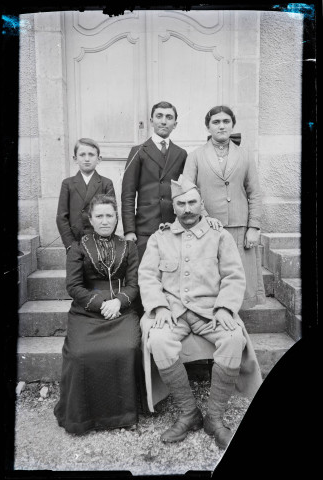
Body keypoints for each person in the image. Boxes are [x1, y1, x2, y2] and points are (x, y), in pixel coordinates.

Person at [138, 175, 262, 449]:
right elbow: (147, 276)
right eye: (181, 203)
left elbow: (233, 276)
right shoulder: (160, 238)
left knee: (233, 339)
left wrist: (227, 308)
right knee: (157, 340)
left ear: (202, 204)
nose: (187, 209)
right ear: (174, 207)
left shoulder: (220, 236)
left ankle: (214, 418)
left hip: (211, 311)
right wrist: (158, 306)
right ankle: (189, 413)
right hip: (173, 311)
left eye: (192, 202)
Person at [54, 194, 141, 434]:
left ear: (116, 219)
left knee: (126, 348)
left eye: (109, 215)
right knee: (80, 353)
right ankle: (82, 418)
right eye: (99, 216)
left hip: (122, 310)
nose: (105, 221)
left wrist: (119, 302)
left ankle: (122, 414)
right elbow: (73, 286)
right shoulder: (78, 247)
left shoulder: (129, 246)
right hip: (87, 310)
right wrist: (101, 302)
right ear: (90, 219)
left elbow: (134, 284)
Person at [183, 106, 266, 309]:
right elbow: (187, 190)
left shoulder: (245, 155)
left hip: (239, 226)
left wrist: (253, 227)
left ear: (232, 125)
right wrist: (202, 216)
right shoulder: (195, 156)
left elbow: (254, 192)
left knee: (239, 277)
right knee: (210, 277)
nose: (221, 126)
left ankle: (237, 324)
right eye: (216, 122)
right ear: (208, 127)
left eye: (226, 121)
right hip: (207, 227)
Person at [121, 101, 187, 261]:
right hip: (145, 228)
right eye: (159, 116)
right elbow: (128, 194)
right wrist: (129, 230)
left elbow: (185, 192)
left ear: (175, 124)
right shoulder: (138, 151)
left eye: (169, 117)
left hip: (173, 226)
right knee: (144, 277)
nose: (164, 121)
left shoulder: (181, 154)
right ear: (151, 121)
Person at [56, 138, 115, 253]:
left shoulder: (106, 183)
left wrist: (105, 239)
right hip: (75, 242)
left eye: (91, 155)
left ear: (99, 159)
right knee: (76, 270)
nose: (87, 159)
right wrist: (70, 245)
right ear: (75, 159)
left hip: (100, 242)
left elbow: (112, 215)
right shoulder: (68, 184)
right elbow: (61, 217)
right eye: (82, 155)